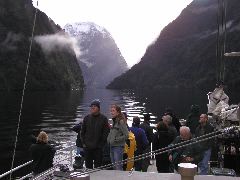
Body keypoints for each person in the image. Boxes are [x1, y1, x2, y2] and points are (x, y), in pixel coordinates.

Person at [81, 99, 109, 169]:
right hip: (87, 148)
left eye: (94, 106)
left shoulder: (104, 119)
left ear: (98, 108)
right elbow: (82, 132)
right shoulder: (86, 118)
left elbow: (105, 133)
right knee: (88, 167)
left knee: (98, 168)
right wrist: (84, 143)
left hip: (98, 148)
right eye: (91, 106)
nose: (92, 108)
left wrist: (101, 145)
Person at [107, 104, 129, 170]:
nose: (111, 112)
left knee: (118, 167)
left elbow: (126, 135)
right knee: (114, 166)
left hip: (118, 147)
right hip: (112, 146)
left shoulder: (121, 122)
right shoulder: (114, 122)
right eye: (111, 111)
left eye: (113, 111)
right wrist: (109, 139)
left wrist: (116, 139)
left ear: (118, 112)